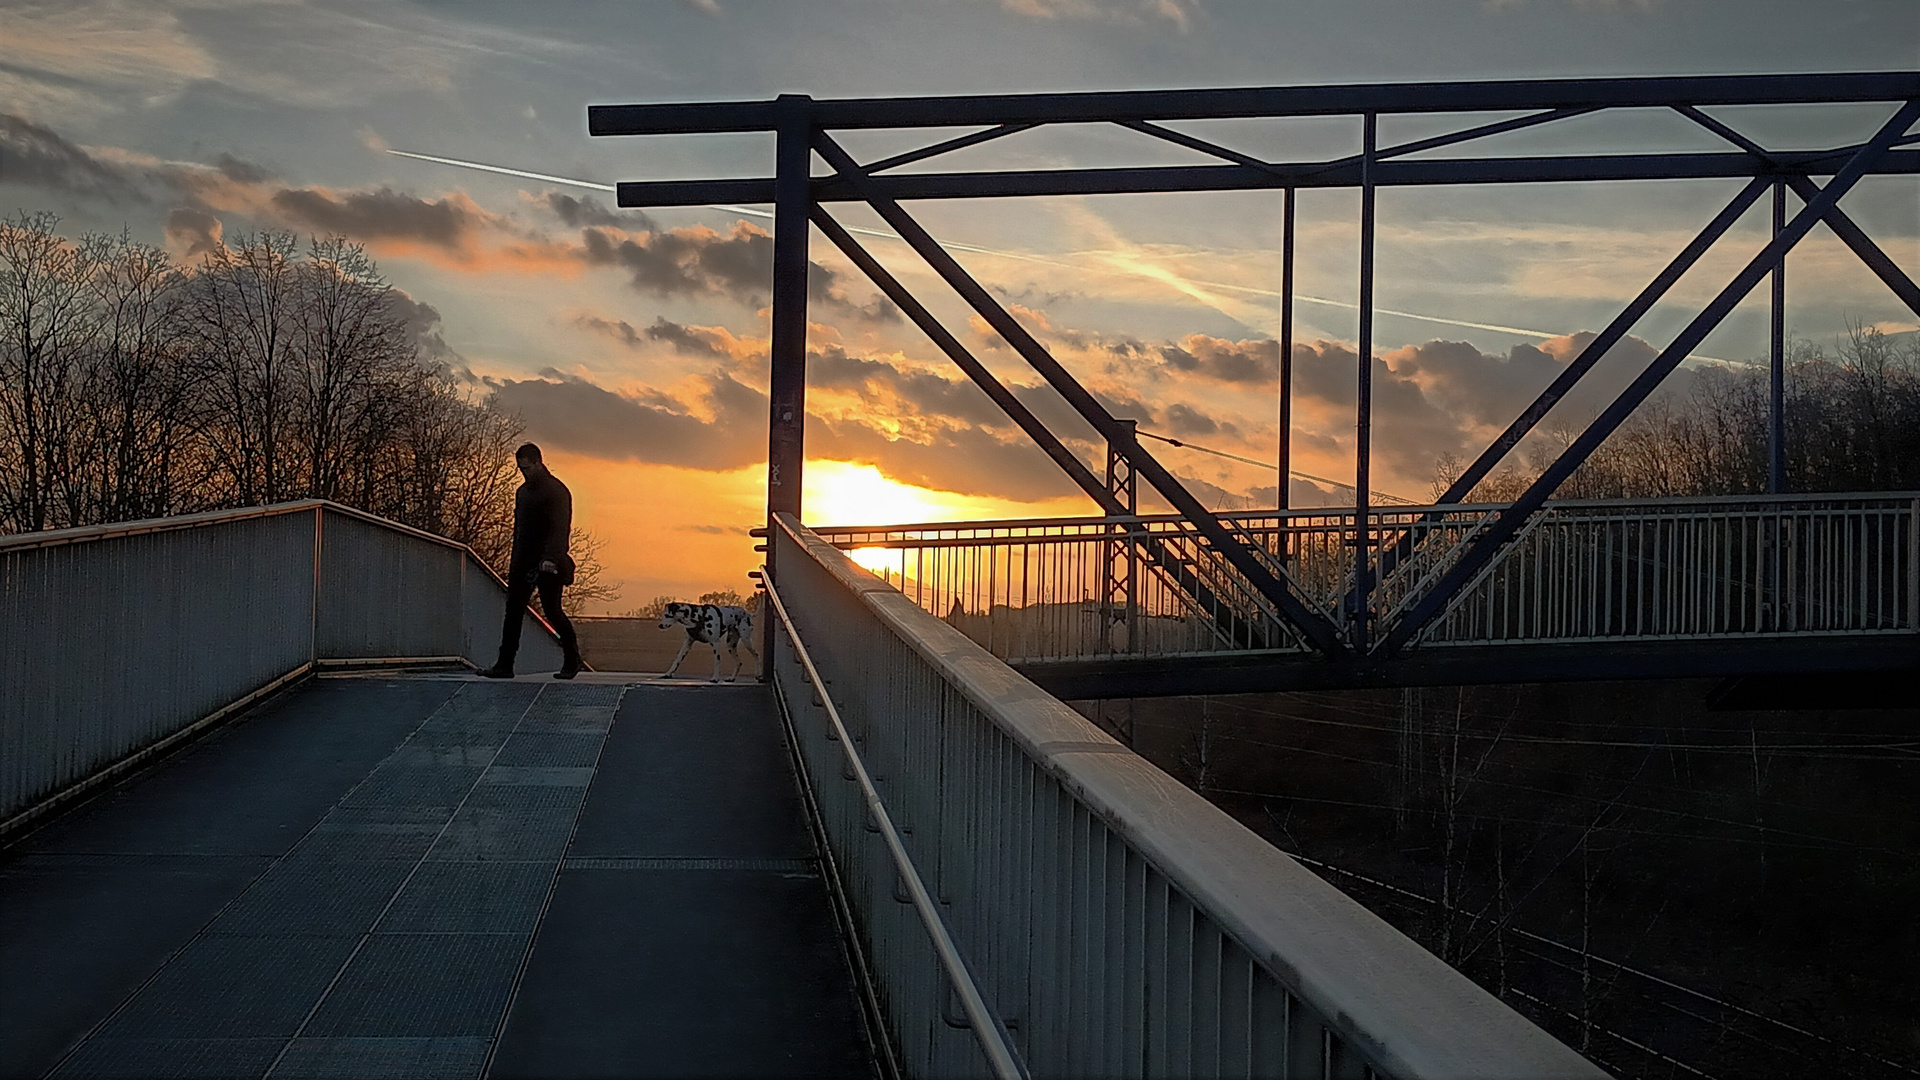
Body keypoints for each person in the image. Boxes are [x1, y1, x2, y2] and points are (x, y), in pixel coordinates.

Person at [481, 443, 583, 679]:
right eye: (520, 469)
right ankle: (505, 664)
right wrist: (515, 561)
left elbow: (560, 528)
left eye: (526, 468)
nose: (524, 473)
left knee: (553, 611)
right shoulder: (523, 492)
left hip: (548, 562)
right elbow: (520, 531)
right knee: (513, 612)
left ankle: (572, 659)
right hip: (523, 560)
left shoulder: (557, 491)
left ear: (538, 463)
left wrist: (551, 558)